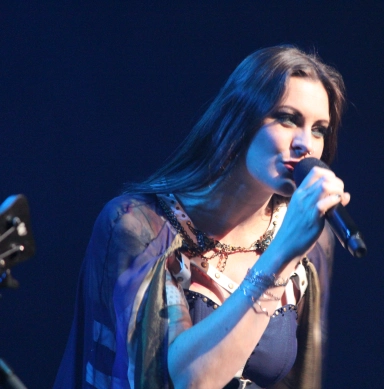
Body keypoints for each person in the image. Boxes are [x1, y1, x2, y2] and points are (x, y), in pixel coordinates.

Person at [54, 45, 348, 389]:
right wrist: (282, 254)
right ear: (241, 118)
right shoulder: (141, 226)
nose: (306, 144)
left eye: (319, 129)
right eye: (287, 118)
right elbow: (191, 381)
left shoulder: (311, 240)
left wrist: (293, 245)